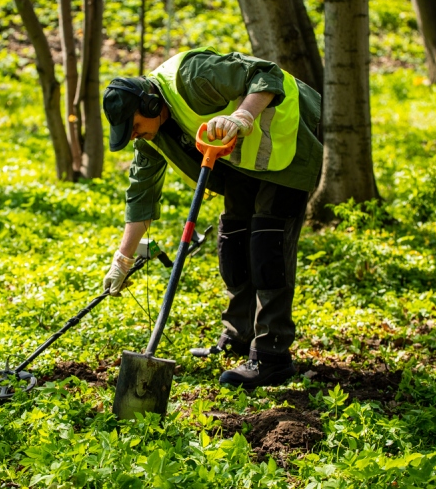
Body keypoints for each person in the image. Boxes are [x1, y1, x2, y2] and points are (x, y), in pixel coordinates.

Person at [101, 47, 322, 389]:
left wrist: (242, 117)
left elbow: (268, 75)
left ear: (150, 105)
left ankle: (271, 356)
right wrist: (123, 259)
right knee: (234, 239)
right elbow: (141, 196)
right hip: (244, 159)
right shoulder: (151, 135)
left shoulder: (194, 75)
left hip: (291, 137)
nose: (132, 136)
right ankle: (238, 335)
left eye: (132, 127)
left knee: (268, 245)